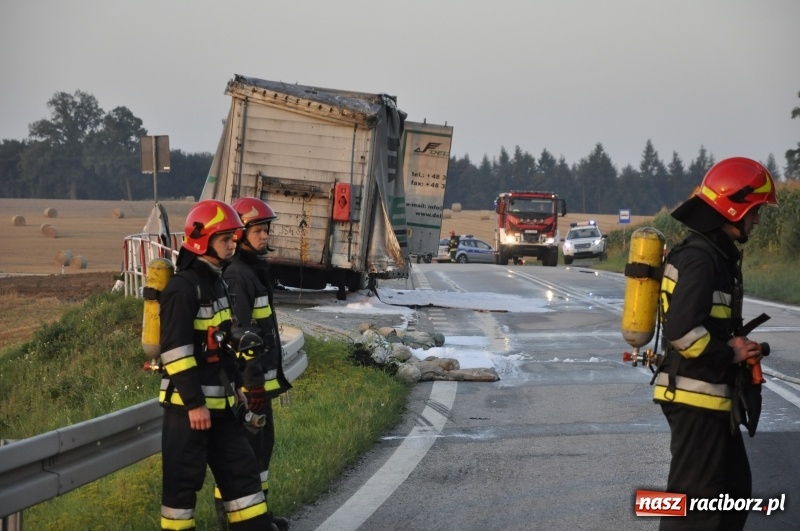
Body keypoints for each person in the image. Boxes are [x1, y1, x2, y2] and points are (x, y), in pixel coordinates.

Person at [654, 157, 777, 530]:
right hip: (695, 398)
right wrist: (731, 352)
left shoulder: (713, 253)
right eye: (755, 211)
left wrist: (734, 345)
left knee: (733, 493)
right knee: (696, 505)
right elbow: (681, 331)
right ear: (734, 207)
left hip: (709, 397)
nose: (757, 220)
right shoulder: (701, 258)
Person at [158, 199, 271, 531]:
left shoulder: (218, 282)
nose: (232, 243)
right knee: (181, 491)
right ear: (201, 239)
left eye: (232, 237)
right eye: (224, 238)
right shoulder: (182, 288)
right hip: (187, 411)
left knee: (243, 478)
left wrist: (238, 387)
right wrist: (194, 404)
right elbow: (175, 352)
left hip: (221, 406)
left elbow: (223, 345)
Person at [221, 197, 292, 531]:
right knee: (246, 457)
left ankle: (260, 516)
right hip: (250, 389)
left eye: (266, 230)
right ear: (239, 234)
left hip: (258, 385)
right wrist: (252, 385)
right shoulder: (238, 274)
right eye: (258, 231)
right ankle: (235, 522)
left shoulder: (251, 270)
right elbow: (242, 336)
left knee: (261, 453)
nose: (265, 236)